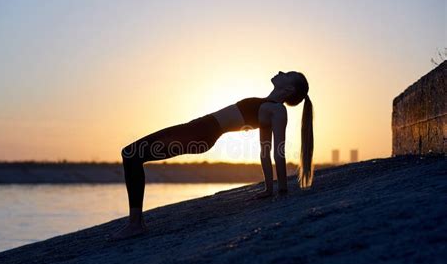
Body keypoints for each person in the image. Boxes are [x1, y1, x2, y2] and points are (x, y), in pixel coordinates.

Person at [109, 71, 314, 240]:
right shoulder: (267, 105)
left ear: (289, 89)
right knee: (132, 154)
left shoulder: (277, 110)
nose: (280, 72)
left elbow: (276, 152)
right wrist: (269, 189)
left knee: (131, 153)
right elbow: (264, 152)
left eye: (287, 74)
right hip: (198, 129)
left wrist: (282, 191)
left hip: (201, 133)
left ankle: (135, 224)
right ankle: (136, 222)